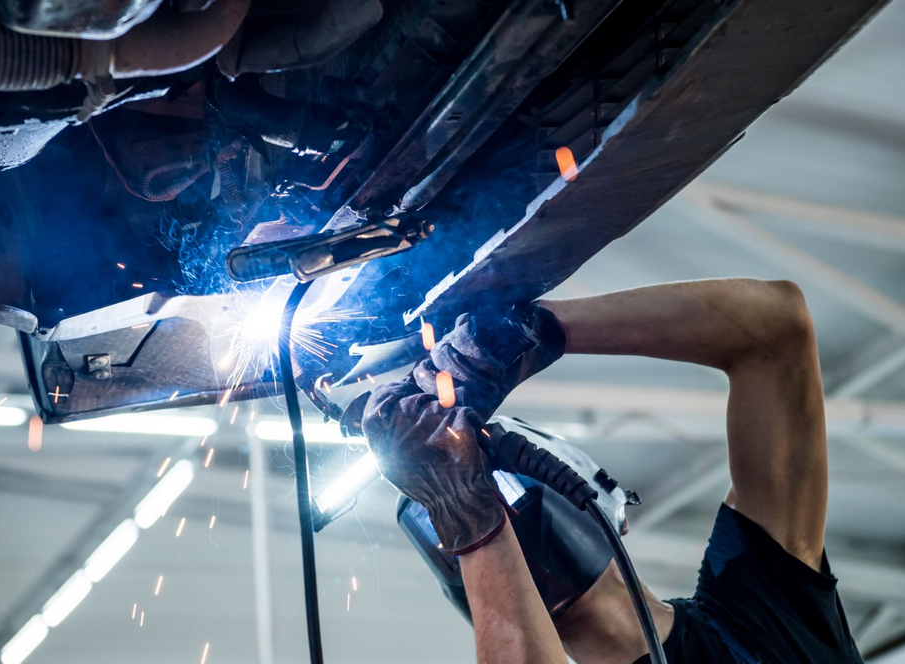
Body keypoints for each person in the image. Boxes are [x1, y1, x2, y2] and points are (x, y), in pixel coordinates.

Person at [361, 278, 863, 664]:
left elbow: (779, 330)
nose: (474, 491)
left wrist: (529, 333)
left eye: (489, 477)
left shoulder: (768, 619)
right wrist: (464, 516)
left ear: (608, 507)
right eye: (440, 508)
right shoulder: (761, 617)